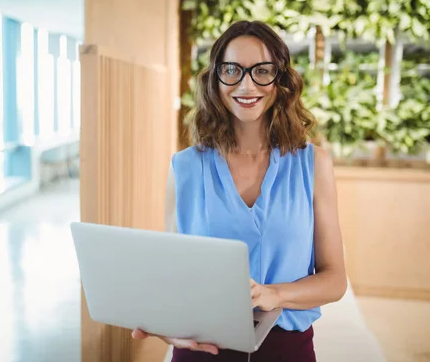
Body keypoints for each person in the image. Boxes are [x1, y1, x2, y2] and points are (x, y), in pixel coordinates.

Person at [131, 20, 347, 361]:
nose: (247, 85)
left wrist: (272, 295)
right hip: (201, 348)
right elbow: (174, 274)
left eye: (262, 71)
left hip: (287, 349)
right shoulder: (185, 167)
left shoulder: (313, 164)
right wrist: (162, 321)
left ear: (281, 80)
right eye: (232, 70)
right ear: (215, 79)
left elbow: (335, 281)